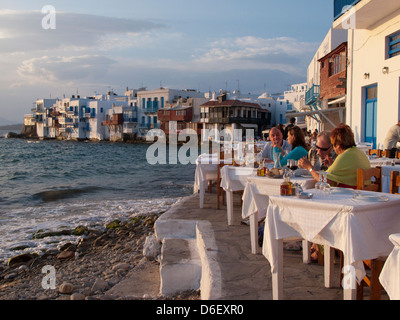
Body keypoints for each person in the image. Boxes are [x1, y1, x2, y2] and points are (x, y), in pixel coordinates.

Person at [299, 123, 370, 188]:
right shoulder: (359, 153)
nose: (334, 149)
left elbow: (324, 181)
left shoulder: (344, 156)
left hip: (349, 196)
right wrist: (332, 166)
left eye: (333, 145)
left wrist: (310, 168)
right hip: (361, 193)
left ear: (338, 145)